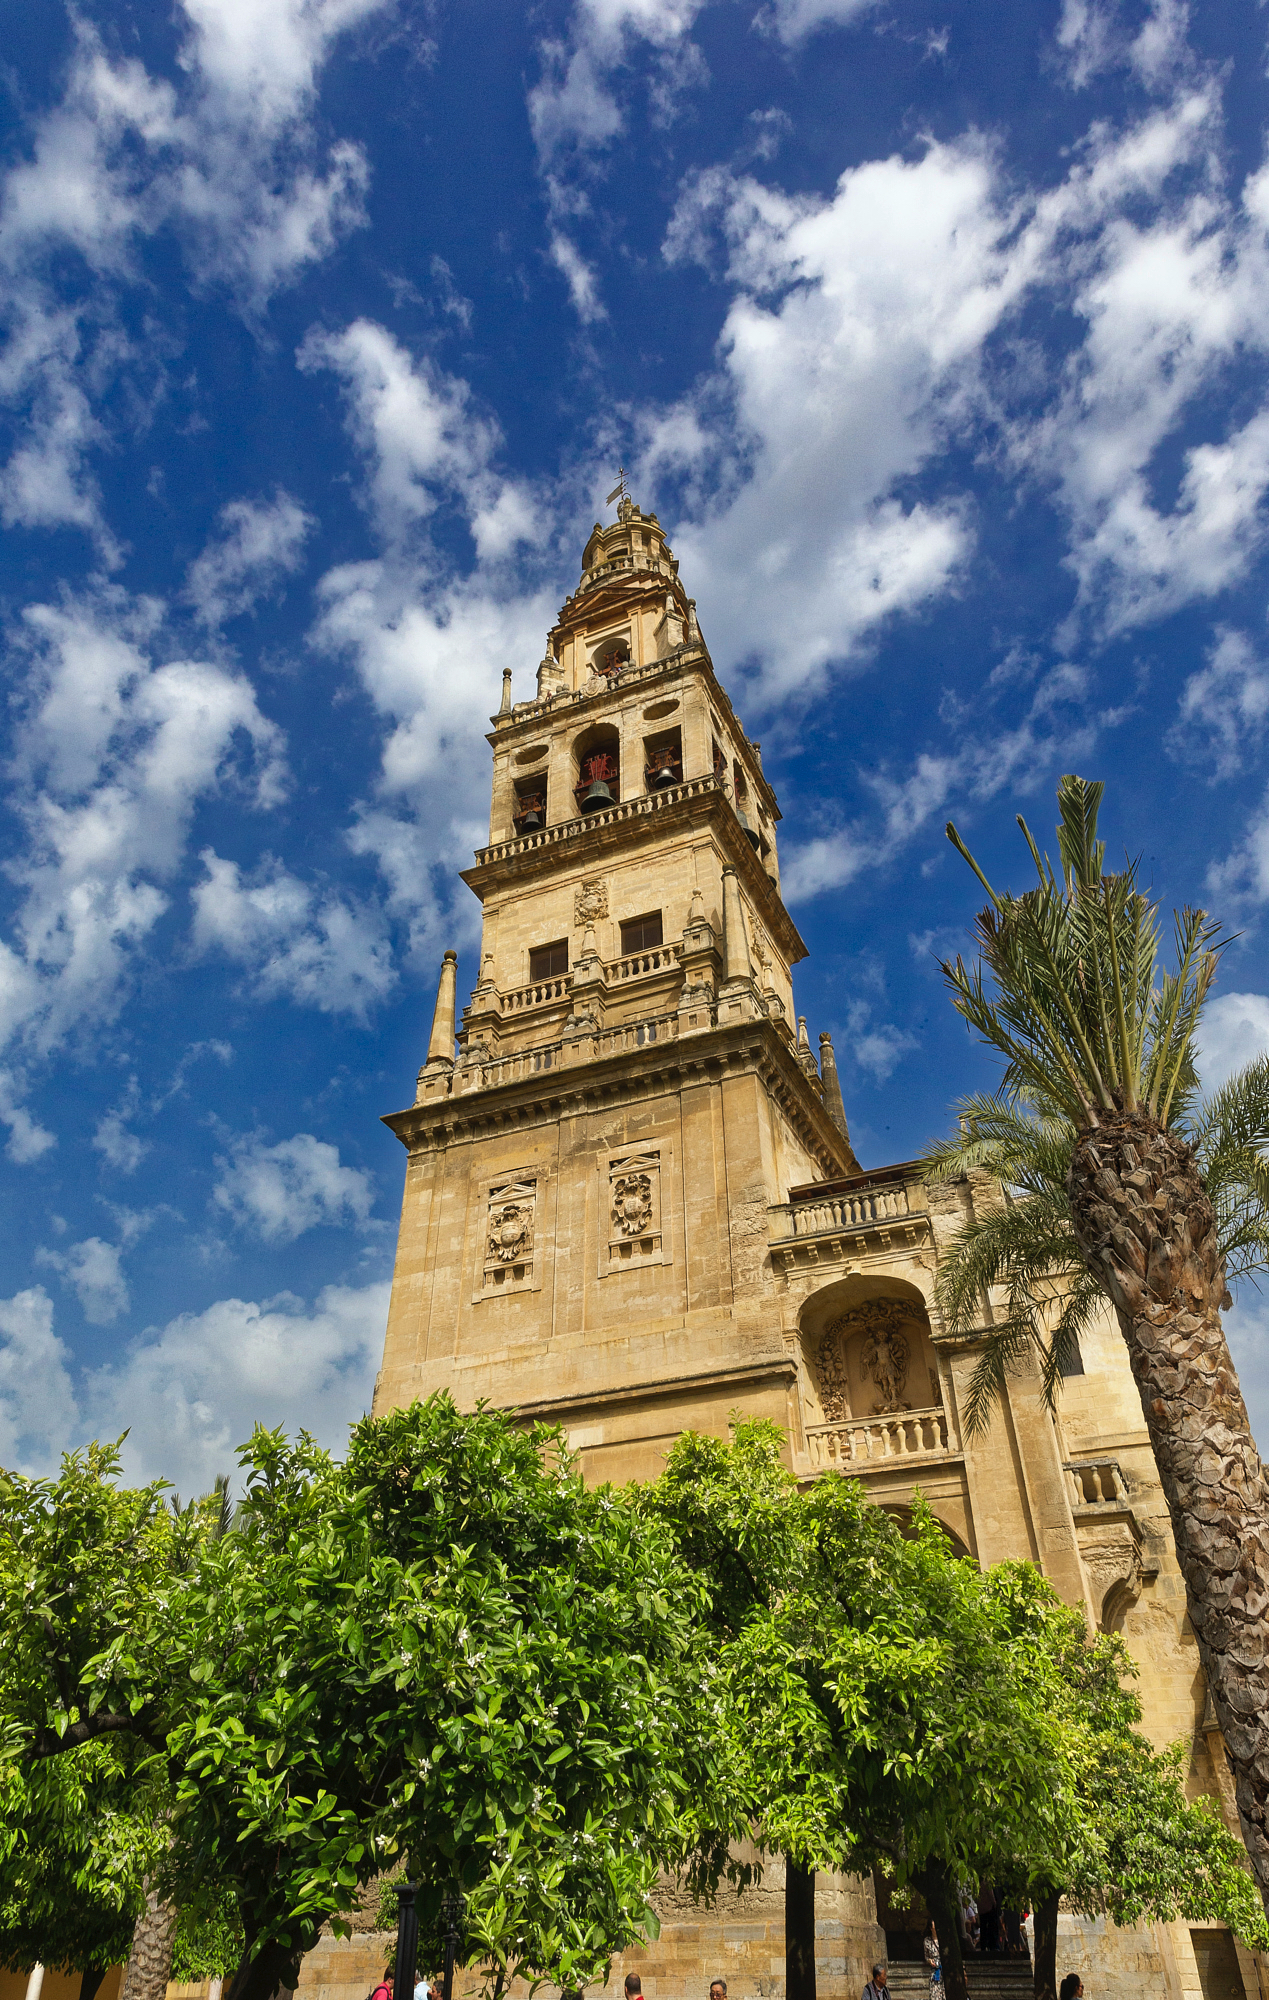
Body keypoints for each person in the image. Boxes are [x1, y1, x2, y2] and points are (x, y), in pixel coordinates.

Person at [923, 1919, 941, 1993]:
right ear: (931, 1928)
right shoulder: (927, 1941)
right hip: (935, 1971)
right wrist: (929, 1961)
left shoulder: (944, 1939)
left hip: (944, 1969)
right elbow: (926, 1956)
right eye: (934, 1926)